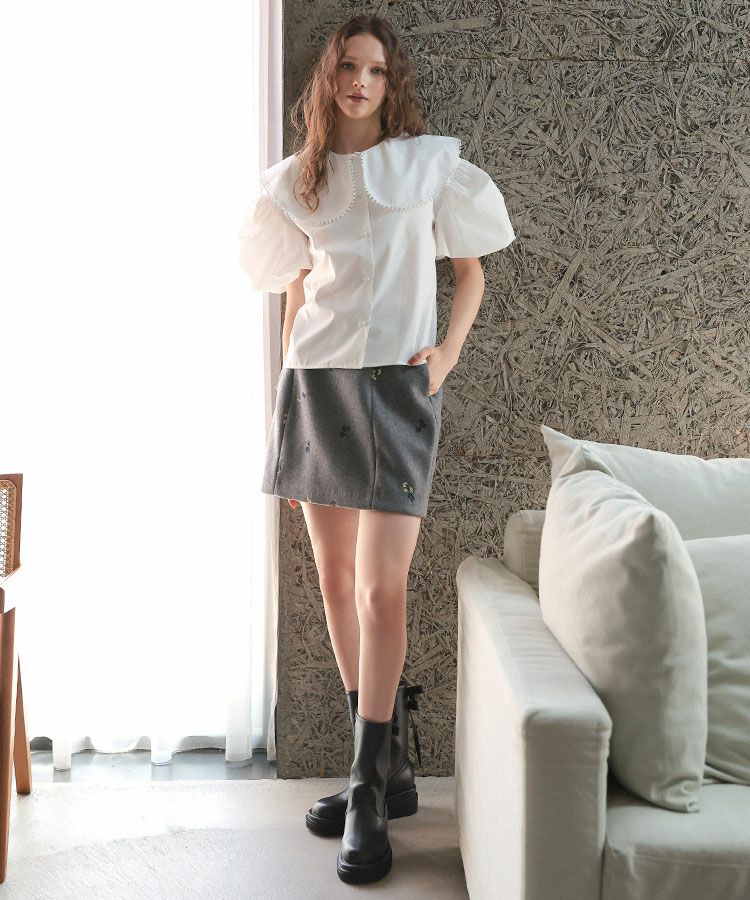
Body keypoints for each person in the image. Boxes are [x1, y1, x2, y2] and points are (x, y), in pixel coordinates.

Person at [238, 13, 516, 885]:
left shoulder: (427, 165)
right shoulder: (296, 182)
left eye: (376, 70)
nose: (361, 81)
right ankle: (382, 766)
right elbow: (295, 298)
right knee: (332, 580)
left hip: (399, 388)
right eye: (349, 67)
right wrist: (282, 417)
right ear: (328, 79)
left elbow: (471, 273)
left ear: (391, 85)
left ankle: (366, 785)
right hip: (316, 386)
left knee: (379, 585)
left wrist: (445, 359)